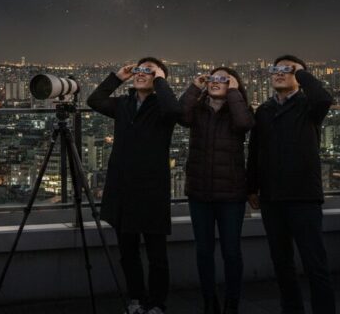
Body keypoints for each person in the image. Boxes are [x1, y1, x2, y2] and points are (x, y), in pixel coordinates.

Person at [87, 57, 180, 314]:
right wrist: (117, 77)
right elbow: (94, 101)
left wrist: (160, 79)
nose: (141, 74)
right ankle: (136, 299)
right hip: (123, 187)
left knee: (156, 254)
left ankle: (158, 303)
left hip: (152, 188)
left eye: (149, 72)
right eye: (139, 70)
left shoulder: (163, 106)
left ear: (159, 78)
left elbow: (175, 111)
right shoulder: (124, 104)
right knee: (128, 252)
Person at [247, 55, 336, 314]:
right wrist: (251, 186)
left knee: (314, 263)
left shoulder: (309, 105)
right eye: (276, 69)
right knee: (281, 263)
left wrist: (301, 72)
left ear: (299, 74)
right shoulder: (264, 110)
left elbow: (324, 98)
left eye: (287, 69)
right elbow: (255, 150)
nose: (279, 73)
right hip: (272, 197)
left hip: (303, 196)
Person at [180, 67, 254, 314]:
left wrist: (234, 92)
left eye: (223, 79)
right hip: (200, 193)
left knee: (231, 251)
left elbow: (245, 124)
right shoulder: (198, 111)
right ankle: (209, 301)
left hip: (231, 194)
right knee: (204, 251)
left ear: (233, 84)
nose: (215, 82)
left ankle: (232, 302)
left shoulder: (238, 110)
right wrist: (194, 86)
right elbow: (180, 115)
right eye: (212, 78)